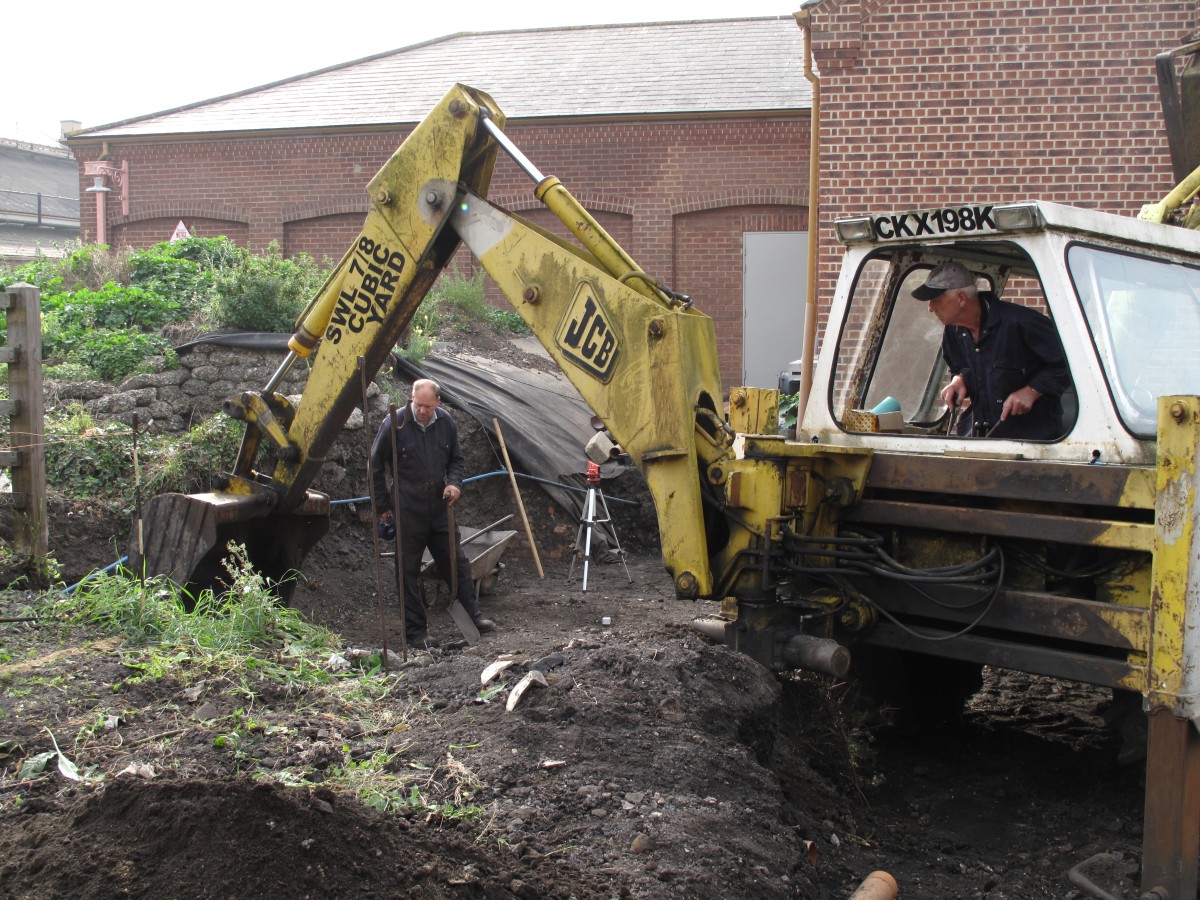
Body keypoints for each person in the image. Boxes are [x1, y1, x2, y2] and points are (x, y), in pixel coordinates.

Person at [370, 378, 496, 645]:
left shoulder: (447, 423)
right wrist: (383, 506)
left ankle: (473, 617)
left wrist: (454, 483)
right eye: (418, 405)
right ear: (411, 399)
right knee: (408, 571)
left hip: (440, 506)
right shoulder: (395, 422)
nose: (422, 411)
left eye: (428, 406)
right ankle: (416, 632)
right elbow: (375, 465)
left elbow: (456, 460)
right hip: (407, 507)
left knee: (456, 563)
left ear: (438, 403)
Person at [914, 260, 1072, 439]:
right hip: (982, 436)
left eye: (937, 301)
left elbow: (1071, 362)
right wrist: (960, 380)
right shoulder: (953, 331)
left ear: (961, 298)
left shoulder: (1022, 323)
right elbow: (961, 367)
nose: (930, 308)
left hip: (1034, 440)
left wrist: (1033, 390)